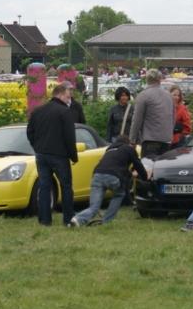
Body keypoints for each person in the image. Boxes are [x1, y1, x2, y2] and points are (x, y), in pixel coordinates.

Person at [26, 84, 78, 226]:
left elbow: (30, 132)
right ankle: (68, 218)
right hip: (59, 155)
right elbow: (69, 137)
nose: (69, 98)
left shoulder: (38, 111)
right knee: (66, 186)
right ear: (60, 94)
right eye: (68, 95)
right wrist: (73, 156)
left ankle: (44, 219)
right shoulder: (64, 112)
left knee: (44, 186)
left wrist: (37, 147)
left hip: (41, 154)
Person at [70, 135, 147, 227]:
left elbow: (116, 165)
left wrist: (129, 173)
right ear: (127, 142)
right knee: (119, 194)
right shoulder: (128, 148)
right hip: (113, 177)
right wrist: (146, 178)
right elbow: (138, 165)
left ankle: (76, 219)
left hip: (97, 176)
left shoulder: (108, 150)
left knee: (94, 207)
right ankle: (106, 221)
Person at [129, 68, 174, 158]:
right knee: (162, 169)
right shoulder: (168, 95)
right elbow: (173, 117)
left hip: (150, 140)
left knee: (148, 169)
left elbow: (137, 120)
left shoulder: (143, 95)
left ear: (147, 79)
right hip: (166, 140)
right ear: (159, 79)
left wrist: (132, 140)